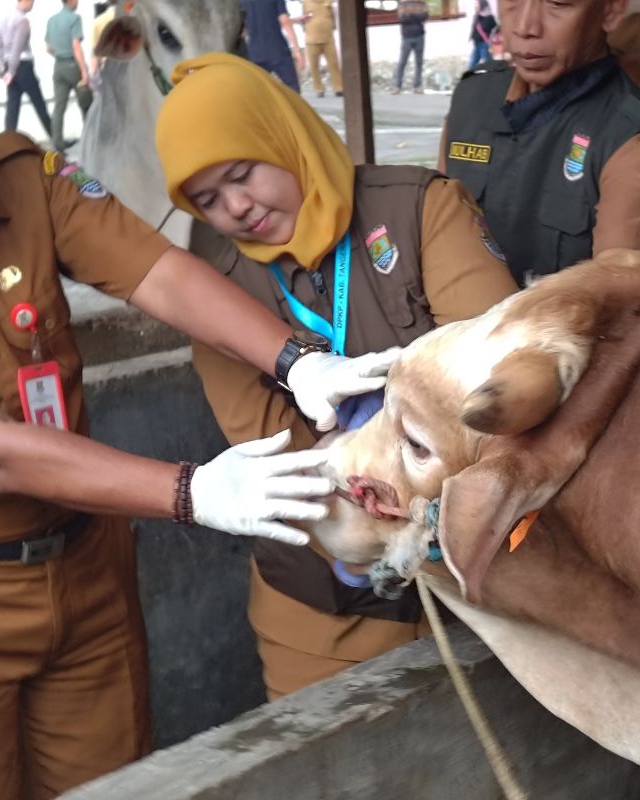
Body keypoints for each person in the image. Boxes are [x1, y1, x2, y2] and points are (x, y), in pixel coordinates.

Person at [0, 12, 397, 799]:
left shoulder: (16, 178)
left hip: (86, 564)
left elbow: (155, 272)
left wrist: (296, 360)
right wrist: (194, 490)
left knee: (116, 785)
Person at [155, 53, 518, 698]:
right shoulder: (209, 280)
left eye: (243, 174)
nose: (237, 208)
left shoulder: (416, 208)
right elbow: (278, 453)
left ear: (285, 135)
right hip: (320, 618)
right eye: (208, 199)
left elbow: (492, 381)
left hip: (479, 592)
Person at [439, 0, 640, 286]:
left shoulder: (633, 145)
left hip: (553, 330)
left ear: (610, 12)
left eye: (558, 4)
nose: (525, 27)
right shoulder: (471, 100)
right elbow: (434, 240)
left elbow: (616, 313)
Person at [0, 0, 53, 139]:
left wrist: (2, 66)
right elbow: (18, 47)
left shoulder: (5, 19)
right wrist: (12, 71)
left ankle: (7, 143)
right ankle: (56, 140)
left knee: (12, 108)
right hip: (22, 67)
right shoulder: (22, 21)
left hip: (9, 65)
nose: (33, 4)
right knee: (39, 104)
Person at [45, 0, 93, 150]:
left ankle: (57, 144)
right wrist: (84, 71)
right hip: (73, 66)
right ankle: (90, 141)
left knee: (59, 107)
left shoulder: (52, 20)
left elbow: (48, 48)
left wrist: (60, 54)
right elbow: (76, 46)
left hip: (58, 66)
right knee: (87, 105)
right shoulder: (75, 19)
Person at [240, 0, 306, 93]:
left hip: (255, 53)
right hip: (278, 50)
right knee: (293, 90)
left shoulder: (241, 1)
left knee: (259, 92)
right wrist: (297, 50)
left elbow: (243, 30)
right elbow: (284, 21)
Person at [301, 0, 344, 98]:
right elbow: (303, 19)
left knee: (334, 64)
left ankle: (339, 88)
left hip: (328, 38)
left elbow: (333, 17)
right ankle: (319, 88)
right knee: (314, 66)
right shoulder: (306, 3)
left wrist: (332, 27)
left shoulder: (328, 2)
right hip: (312, 39)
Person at [392, 0, 429, 94]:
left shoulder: (420, 3)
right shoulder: (403, 4)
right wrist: (416, 16)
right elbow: (402, 18)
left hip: (419, 36)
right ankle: (397, 86)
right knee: (402, 62)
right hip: (407, 37)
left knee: (419, 62)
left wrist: (410, 15)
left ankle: (417, 86)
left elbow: (424, 16)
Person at [467, 0, 498, 70]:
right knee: (471, 64)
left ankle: (493, 76)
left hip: (484, 44)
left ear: (482, 5)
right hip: (476, 43)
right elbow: (474, 28)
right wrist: (472, 38)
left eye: (477, 4)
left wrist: (492, 39)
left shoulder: (489, 17)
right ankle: (469, 78)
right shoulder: (476, 16)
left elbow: (495, 29)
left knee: (488, 64)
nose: (475, 6)